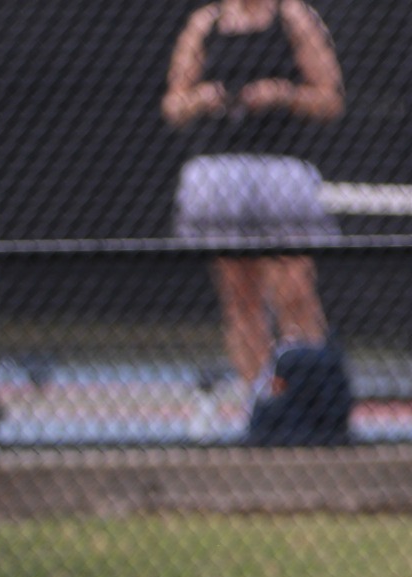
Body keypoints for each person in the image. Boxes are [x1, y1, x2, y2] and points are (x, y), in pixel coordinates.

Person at [161, 0, 342, 392]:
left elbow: (329, 98)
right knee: (241, 297)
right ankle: (260, 400)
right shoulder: (205, 23)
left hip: (281, 170)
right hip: (220, 175)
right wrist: (203, 98)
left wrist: (281, 94)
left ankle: (308, 392)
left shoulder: (292, 16)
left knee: (295, 289)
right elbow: (174, 103)